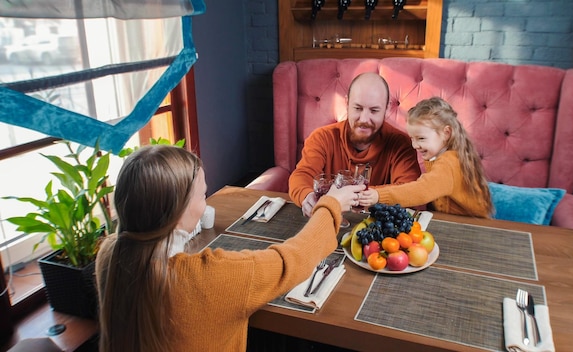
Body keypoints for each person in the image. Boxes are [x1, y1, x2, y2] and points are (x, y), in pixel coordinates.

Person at [95, 145, 365, 352]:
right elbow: (294, 259)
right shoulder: (210, 277)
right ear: (178, 210)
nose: (204, 204)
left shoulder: (110, 255)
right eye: (202, 195)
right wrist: (330, 205)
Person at [289, 72, 422, 217]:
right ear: (347, 104)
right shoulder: (322, 138)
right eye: (358, 108)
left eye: (374, 110)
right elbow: (302, 175)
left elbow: (410, 191)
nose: (364, 119)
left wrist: (363, 196)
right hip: (328, 220)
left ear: (387, 108)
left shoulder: (400, 144)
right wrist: (307, 196)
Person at [358, 97, 493, 218]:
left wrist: (378, 195)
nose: (415, 145)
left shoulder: (449, 162)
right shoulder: (440, 155)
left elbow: (422, 190)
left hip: (471, 226)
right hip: (451, 219)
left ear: (446, 133)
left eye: (421, 138)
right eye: (412, 138)